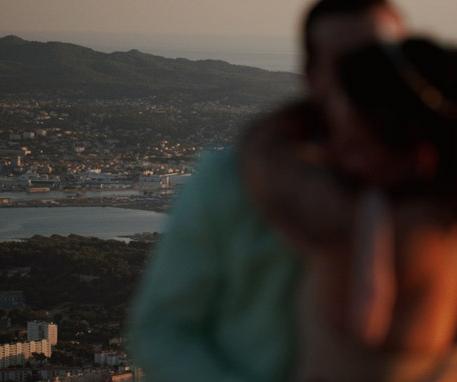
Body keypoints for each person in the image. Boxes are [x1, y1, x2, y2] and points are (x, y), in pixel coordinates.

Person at [128, 1, 408, 381]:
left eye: (380, 62)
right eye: (346, 64)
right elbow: (160, 330)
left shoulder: (448, 188)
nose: (364, 80)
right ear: (311, 73)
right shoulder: (226, 180)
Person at [246, 38, 457, 381]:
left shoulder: (355, 218)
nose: (334, 152)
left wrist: (312, 109)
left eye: (356, 145)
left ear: (421, 159)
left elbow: (264, 157)